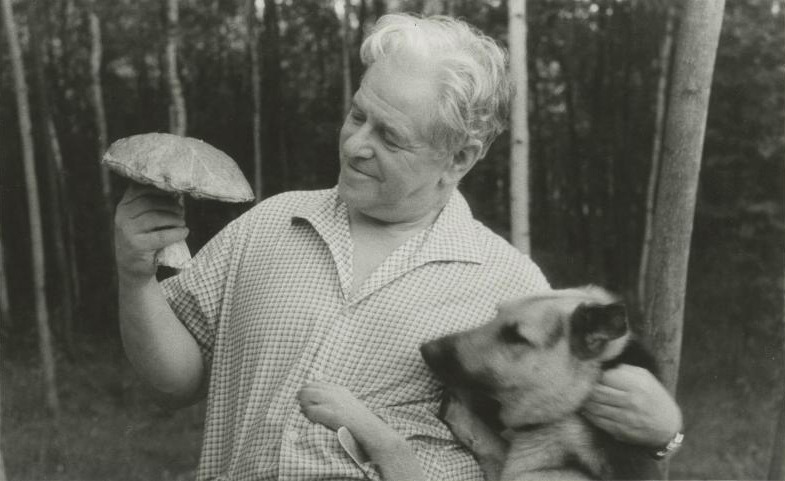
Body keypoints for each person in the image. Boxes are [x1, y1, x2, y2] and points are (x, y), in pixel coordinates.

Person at [114, 13, 682, 481]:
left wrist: (666, 434)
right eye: (358, 114)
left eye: (389, 136)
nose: (357, 144)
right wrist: (137, 276)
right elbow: (174, 384)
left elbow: (591, 433)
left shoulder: (512, 289)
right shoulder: (269, 223)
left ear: (460, 157)